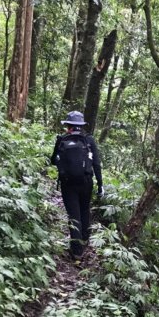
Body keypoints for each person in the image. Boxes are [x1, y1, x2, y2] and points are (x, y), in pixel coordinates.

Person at [52, 111, 103, 259]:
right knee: (84, 210)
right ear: (81, 126)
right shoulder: (89, 140)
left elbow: (53, 160)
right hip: (86, 182)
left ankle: (76, 252)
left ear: (68, 125)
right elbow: (96, 164)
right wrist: (100, 184)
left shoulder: (62, 139)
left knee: (74, 215)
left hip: (68, 184)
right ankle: (85, 239)